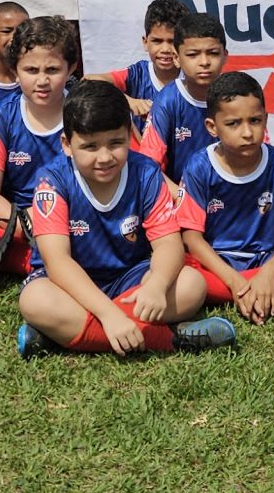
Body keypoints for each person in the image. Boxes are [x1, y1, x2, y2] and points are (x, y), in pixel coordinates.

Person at [16, 80, 237, 357]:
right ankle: (171, 339)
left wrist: (156, 285)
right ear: (67, 144)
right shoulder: (53, 181)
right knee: (35, 301)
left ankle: (62, 335)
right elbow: (57, 262)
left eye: (116, 143)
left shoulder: (145, 173)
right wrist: (109, 314)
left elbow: (169, 244)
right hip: (68, 285)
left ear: (128, 137)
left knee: (192, 285)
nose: (105, 156)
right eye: (90, 146)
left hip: (131, 278)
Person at [179, 71, 274, 320]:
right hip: (219, 263)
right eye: (233, 123)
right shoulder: (199, 166)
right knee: (183, 272)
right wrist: (233, 280)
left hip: (267, 258)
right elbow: (192, 238)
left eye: (255, 120)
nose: (247, 132)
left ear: (265, 119)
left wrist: (269, 272)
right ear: (212, 127)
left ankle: (251, 291)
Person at [0, 13, 80, 290]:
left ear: (71, 68)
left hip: (75, 217)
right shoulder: (1, 117)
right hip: (22, 221)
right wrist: (31, 225)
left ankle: (44, 261)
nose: (42, 80)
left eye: (52, 70)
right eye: (31, 70)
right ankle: (49, 263)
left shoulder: (83, 112)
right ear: (16, 69)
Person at [138, 9, 228, 176]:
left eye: (213, 53)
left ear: (225, 56)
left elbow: (256, 157)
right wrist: (183, 198)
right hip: (176, 197)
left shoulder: (239, 96)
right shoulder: (167, 101)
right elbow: (149, 167)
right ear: (177, 58)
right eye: (193, 55)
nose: (204, 62)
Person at [108, 0, 184, 117]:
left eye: (172, 42)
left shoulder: (193, 78)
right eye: (157, 41)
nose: (165, 49)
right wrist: (127, 101)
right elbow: (89, 80)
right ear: (145, 42)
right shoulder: (137, 75)